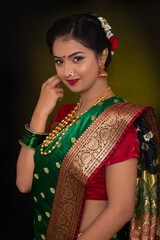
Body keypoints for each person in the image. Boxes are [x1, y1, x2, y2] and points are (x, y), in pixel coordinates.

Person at [16, 13, 160, 240]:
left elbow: (121, 210)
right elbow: (24, 183)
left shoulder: (119, 121)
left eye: (77, 58)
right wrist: (40, 112)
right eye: (59, 61)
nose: (67, 72)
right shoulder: (64, 115)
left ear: (102, 56)